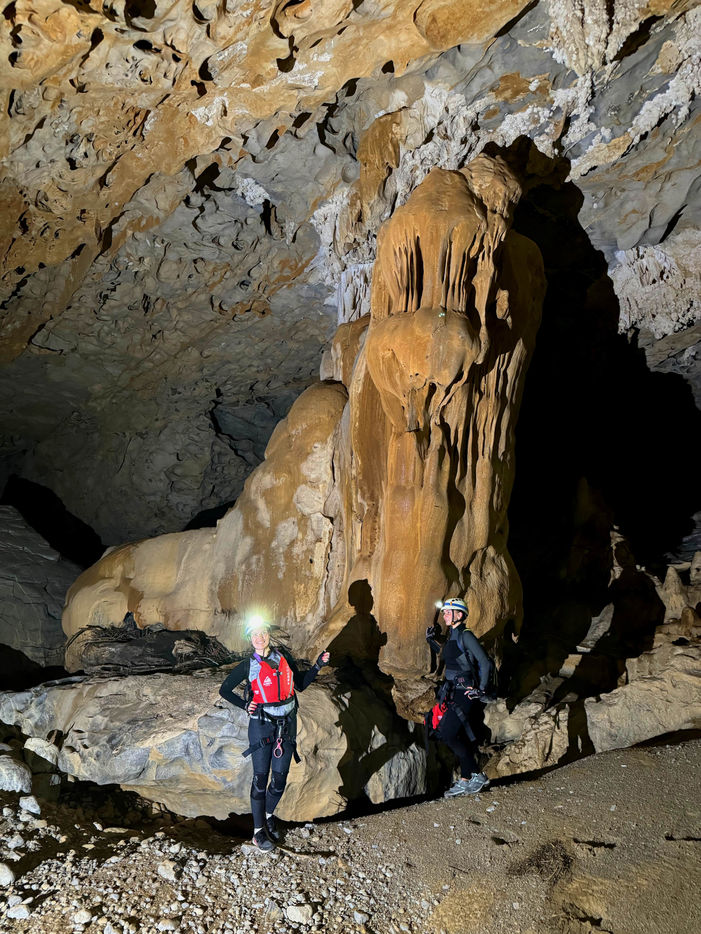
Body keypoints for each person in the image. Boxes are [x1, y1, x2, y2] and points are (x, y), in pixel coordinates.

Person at [219, 617, 330, 851]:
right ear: (250, 639)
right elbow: (225, 690)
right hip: (261, 725)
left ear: (268, 634)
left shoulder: (283, 658)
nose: (259, 637)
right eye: (254, 634)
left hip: (286, 725)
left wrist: (318, 665)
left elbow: (299, 684)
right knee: (261, 780)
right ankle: (258, 832)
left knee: (279, 780)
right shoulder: (248, 665)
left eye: (263, 632)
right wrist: (244, 705)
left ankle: (269, 816)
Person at [426, 597, 492, 796]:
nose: (444, 615)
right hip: (453, 691)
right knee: (458, 734)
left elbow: (485, 662)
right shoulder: (453, 635)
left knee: (447, 732)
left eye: (448, 612)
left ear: (459, 615)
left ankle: (477, 775)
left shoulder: (466, 635)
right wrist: (431, 641)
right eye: (444, 611)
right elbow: (447, 654)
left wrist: (480, 689)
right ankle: (465, 779)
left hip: (466, 692)